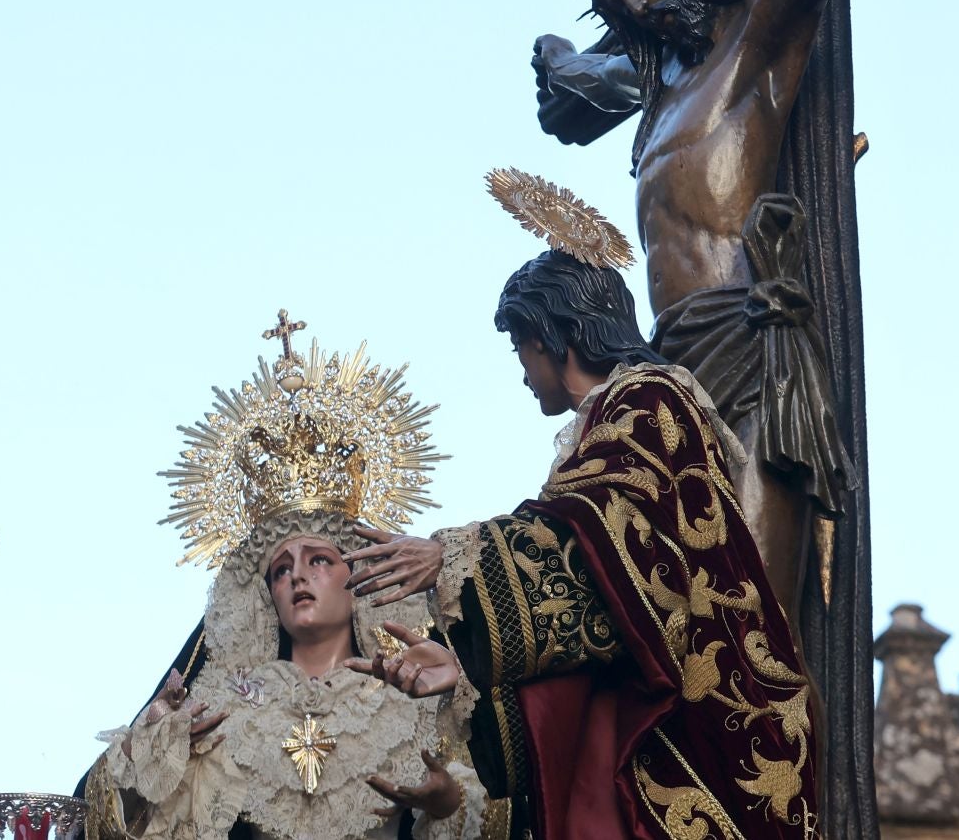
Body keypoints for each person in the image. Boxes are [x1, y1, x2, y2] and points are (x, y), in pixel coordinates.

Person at [531, 0, 959, 620]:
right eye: (617, 2)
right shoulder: (652, 91)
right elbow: (576, 77)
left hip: (749, 351)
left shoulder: (757, 42)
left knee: (754, 612)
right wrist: (554, 56)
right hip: (668, 371)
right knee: (676, 621)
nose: (635, 5)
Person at [344, 176, 819, 840]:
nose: (522, 372)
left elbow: (620, 545)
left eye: (522, 349)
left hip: (699, 731)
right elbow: (609, 608)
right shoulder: (608, 424)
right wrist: (469, 669)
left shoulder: (650, 401)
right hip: (641, 724)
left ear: (555, 336)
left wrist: (453, 555)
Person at [80, 321, 493, 840]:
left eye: (318, 559)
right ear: (264, 599)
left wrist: (448, 802)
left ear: (360, 578)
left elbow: (513, 808)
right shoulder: (220, 708)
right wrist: (146, 756)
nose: (297, 574)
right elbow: (113, 827)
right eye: (280, 569)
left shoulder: (419, 695)